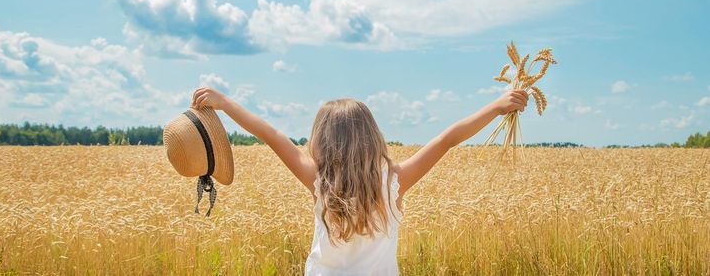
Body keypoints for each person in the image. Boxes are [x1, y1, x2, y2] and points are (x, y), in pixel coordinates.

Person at [191, 87, 528, 275]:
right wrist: (496, 107)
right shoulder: (395, 180)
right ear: (371, 136)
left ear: (322, 140)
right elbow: (446, 139)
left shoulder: (317, 180)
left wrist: (225, 104)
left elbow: (270, 133)